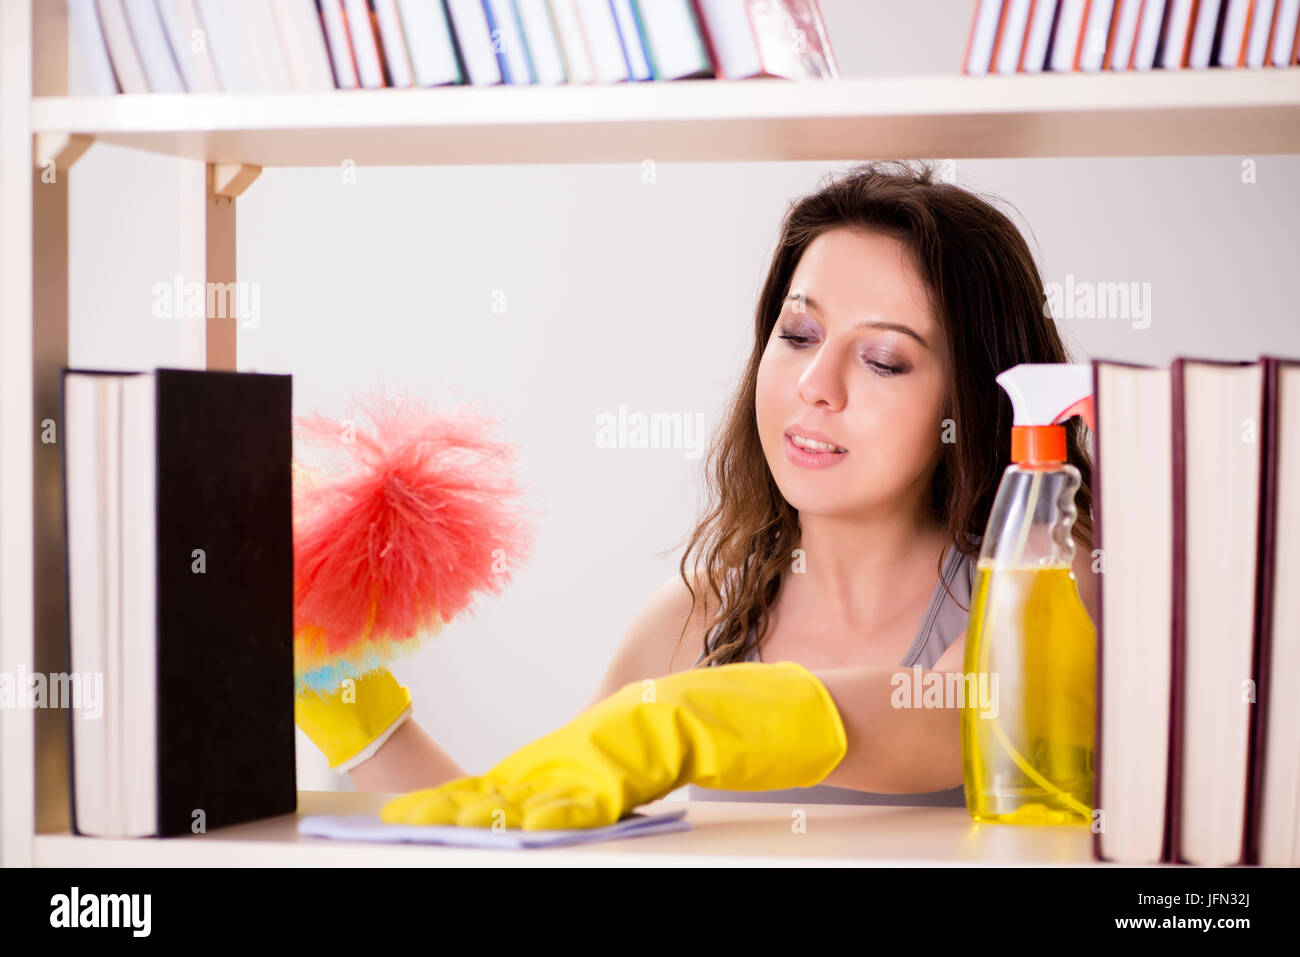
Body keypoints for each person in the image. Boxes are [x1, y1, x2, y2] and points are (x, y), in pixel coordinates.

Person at [295, 160, 1100, 829]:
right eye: (799, 334)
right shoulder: (697, 616)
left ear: (971, 400)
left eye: (884, 359)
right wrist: (357, 710)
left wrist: (691, 717)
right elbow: (514, 817)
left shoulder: (1046, 568)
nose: (816, 385)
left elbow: (963, 715)